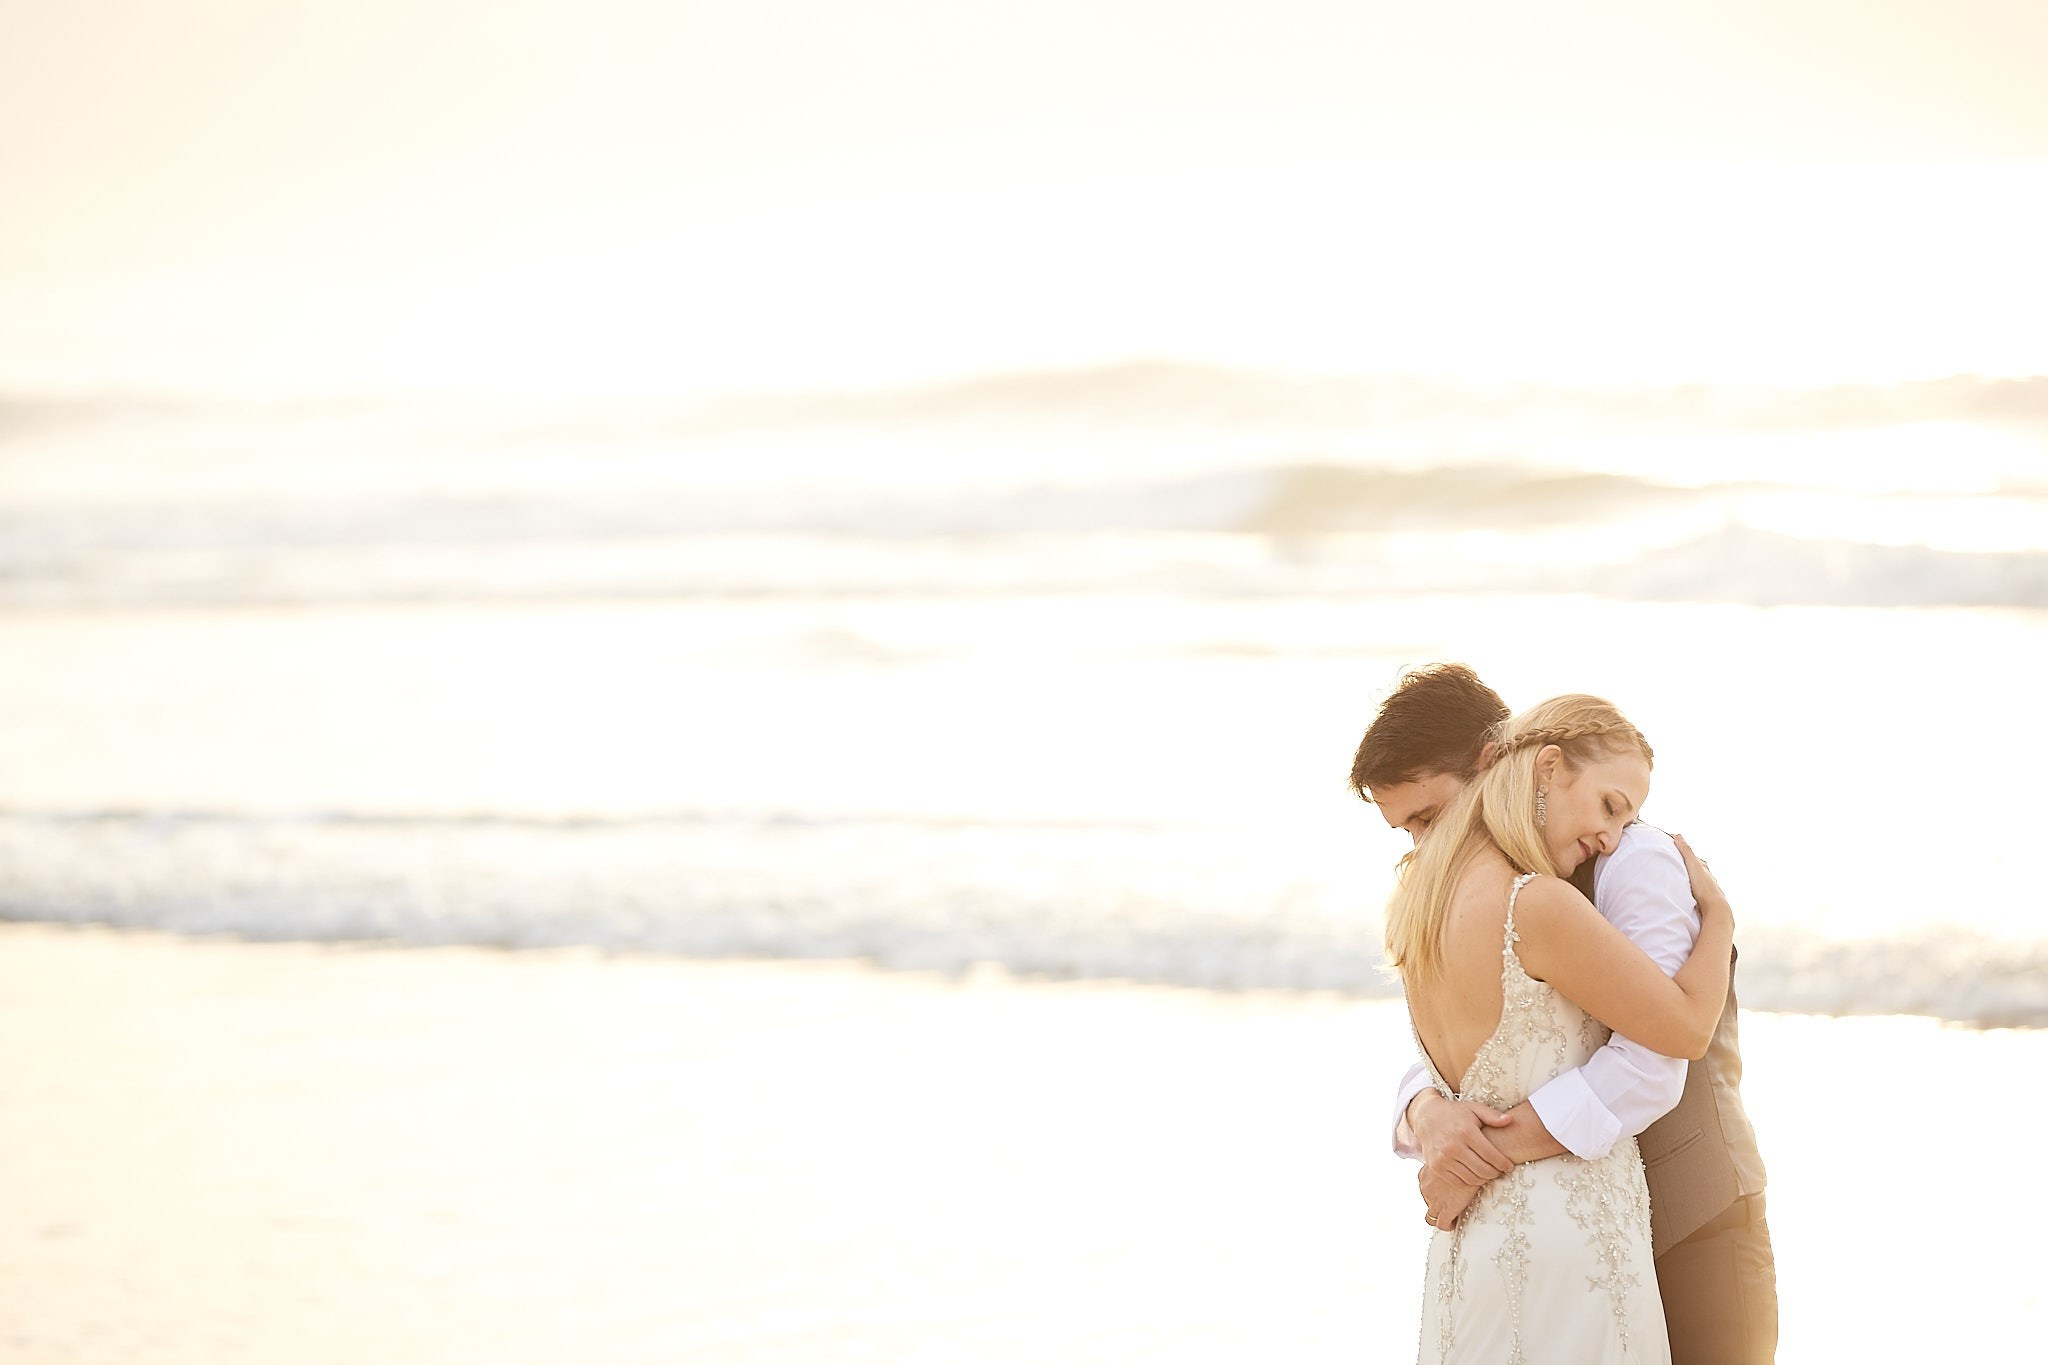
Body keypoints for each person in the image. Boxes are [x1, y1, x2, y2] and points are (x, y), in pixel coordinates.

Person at [1352, 665, 1775, 1365]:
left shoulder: (1631, 859)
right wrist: (1426, 1111)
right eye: (1408, 830)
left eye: (1428, 816)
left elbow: (1654, 1059)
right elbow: (1468, 1052)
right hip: (1564, 1236)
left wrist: (1487, 1151)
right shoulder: (1487, 896)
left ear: (1498, 764)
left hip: (1693, 1219)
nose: (1422, 848)